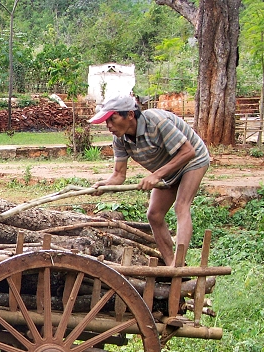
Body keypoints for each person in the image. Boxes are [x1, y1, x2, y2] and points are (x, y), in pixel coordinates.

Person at [89, 96, 210, 266]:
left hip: (192, 161)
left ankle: (179, 263)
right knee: (154, 214)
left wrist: (156, 175)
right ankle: (171, 265)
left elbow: (188, 152)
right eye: (106, 121)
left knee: (181, 206)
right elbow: (119, 175)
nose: (108, 125)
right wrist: (105, 185)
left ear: (130, 114)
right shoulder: (120, 139)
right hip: (168, 169)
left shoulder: (157, 122)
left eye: (112, 119)